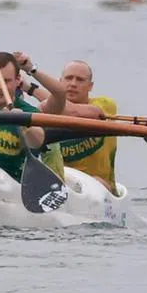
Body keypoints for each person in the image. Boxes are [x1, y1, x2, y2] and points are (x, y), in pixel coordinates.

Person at [0, 51, 66, 182]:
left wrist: (24, 124)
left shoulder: (29, 113)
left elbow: (37, 141)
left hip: (7, 187)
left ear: (18, 80)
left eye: (6, 81)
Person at [29, 60, 120, 195]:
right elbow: (55, 104)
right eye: (69, 78)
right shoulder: (48, 114)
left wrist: (31, 83)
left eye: (80, 80)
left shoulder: (106, 105)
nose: (73, 84)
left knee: (95, 183)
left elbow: (72, 111)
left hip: (102, 188)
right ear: (60, 82)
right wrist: (26, 87)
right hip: (64, 185)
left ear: (90, 86)